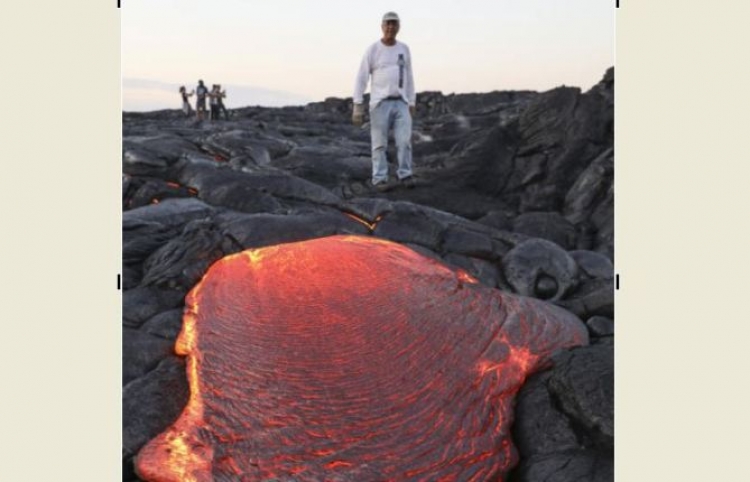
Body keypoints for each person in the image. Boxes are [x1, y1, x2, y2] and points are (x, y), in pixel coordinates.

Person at [353, 11, 416, 191]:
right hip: (380, 103)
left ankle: (405, 174)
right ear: (382, 26)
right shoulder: (373, 50)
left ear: (398, 27)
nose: (390, 27)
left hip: (401, 102)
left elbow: (409, 76)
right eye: (387, 24)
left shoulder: (404, 49)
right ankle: (380, 178)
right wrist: (358, 104)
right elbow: (361, 77)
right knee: (379, 144)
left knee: (404, 141)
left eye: (394, 24)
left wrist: (411, 101)